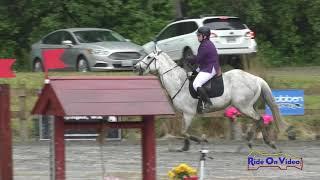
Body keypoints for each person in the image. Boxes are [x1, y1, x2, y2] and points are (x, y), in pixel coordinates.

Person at [190, 26, 221, 113]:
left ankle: (208, 102)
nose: (197, 37)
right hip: (206, 65)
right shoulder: (205, 43)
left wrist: (191, 59)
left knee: (196, 84)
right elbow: (201, 60)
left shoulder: (205, 45)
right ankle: (199, 103)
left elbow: (198, 59)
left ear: (204, 36)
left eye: (199, 35)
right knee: (192, 75)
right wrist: (195, 70)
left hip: (210, 67)